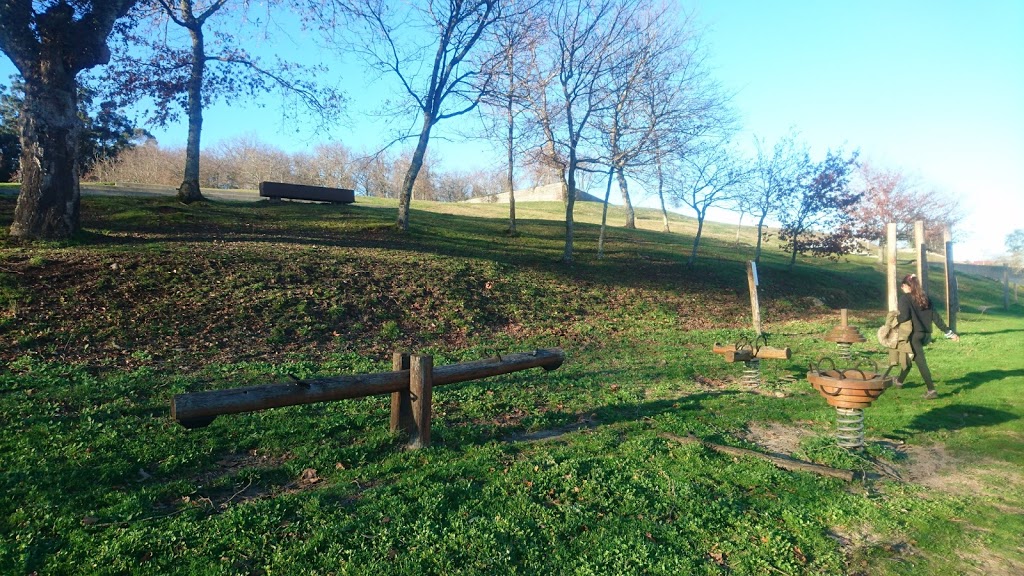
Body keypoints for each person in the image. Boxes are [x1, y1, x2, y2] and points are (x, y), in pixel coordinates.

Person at [894, 273, 960, 398]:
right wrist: (949, 332)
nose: (902, 289)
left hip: (914, 335)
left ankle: (931, 390)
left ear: (905, 286)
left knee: (921, 362)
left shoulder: (905, 298)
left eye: (902, 287)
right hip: (925, 335)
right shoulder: (925, 298)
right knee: (909, 357)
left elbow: (904, 317)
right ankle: (899, 381)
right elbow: (936, 317)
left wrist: (893, 319)